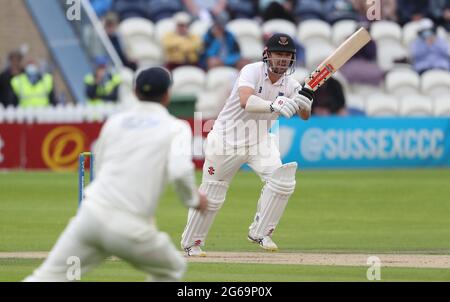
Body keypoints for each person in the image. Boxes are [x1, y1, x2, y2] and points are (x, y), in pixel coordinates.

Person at [24, 66, 208, 282]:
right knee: (171, 268)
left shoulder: (115, 122)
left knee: (50, 277)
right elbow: (179, 171)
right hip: (129, 227)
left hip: (90, 217)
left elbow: (100, 165)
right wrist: (193, 200)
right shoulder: (176, 128)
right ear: (168, 95)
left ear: (135, 92)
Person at [181, 33, 315, 256]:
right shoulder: (251, 71)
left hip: (260, 142)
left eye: (287, 55)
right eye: (278, 54)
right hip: (225, 141)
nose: (282, 59)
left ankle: (260, 233)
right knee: (213, 194)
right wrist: (274, 106)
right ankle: (191, 242)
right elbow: (246, 101)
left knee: (283, 180)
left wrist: (305, 103)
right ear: (267, 55)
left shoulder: (291, 84)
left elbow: (304, 116)